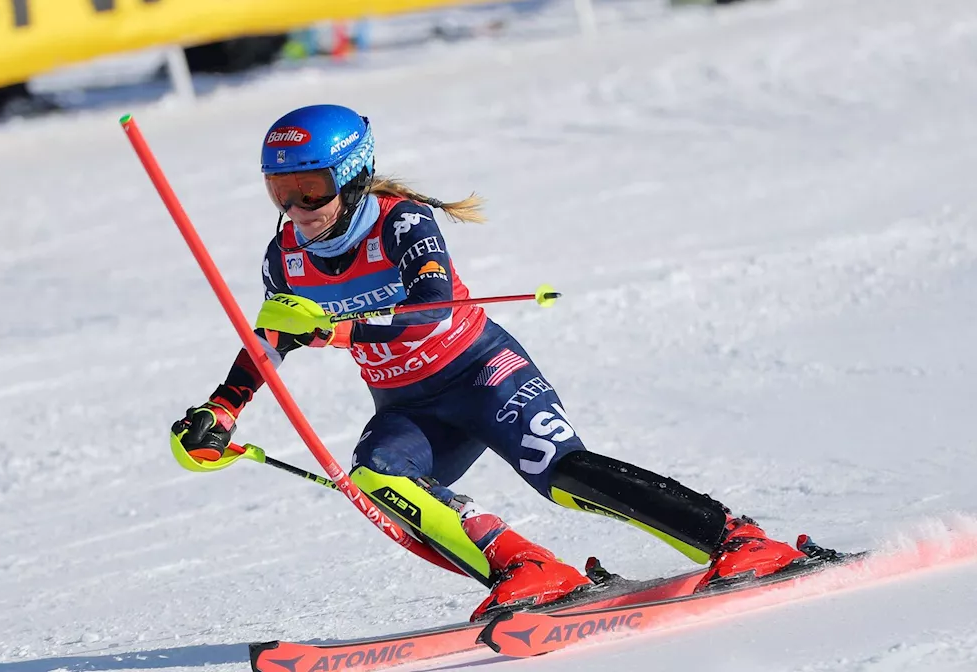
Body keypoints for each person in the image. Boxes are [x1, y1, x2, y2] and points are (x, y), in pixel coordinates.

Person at [169, 104, 807, 621]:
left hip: (481, 373)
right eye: (280, 190)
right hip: (409, 405)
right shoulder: (285, 258)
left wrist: (338, 333)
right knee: (379, 479)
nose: (296, 209)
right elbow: (270, 338)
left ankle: (739, 540)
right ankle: (529, 569)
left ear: (355, 175)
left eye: (311, 188)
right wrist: (221, 411)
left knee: (560, 474)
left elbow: (433, 305)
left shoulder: (403, 223)